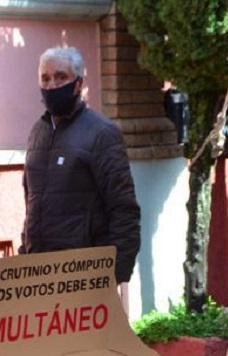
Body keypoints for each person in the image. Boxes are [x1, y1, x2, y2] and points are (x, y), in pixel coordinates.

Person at [22, 46, 141, 287]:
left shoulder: (102, 134)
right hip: (38, 274)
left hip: (84, 276)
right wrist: (25, 253)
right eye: (45, 78)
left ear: (78, 83)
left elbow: (124, 209)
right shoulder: (37, 132)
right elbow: (31, 200)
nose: (52, 85)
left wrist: (115, 276)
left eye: (61, 77)